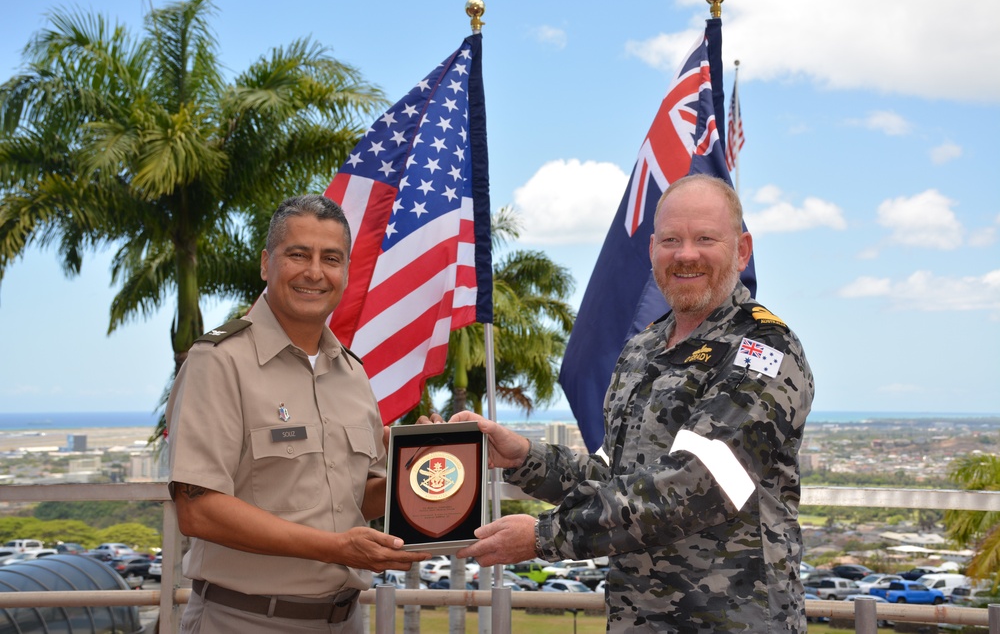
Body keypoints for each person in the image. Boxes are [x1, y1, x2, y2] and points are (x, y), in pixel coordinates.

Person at [452, 174, 814, 632]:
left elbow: (697, 486)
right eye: (670, 240)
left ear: (742, 250)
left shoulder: (763, 349)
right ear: (652, 252)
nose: (685, 254)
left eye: (705, 238)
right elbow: (616, 475)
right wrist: (524, 458)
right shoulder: (642, 349)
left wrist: (544, 536)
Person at [167, 194, 429, 633]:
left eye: (331, 258)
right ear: (267, 264)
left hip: (345, 620)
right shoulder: (219, 360)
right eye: (298, 254)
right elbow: (199, 511)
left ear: (345, 272)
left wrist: (421, 471)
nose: (314, 272)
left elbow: (356, 496)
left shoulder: (351, 372)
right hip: (244, 620)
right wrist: (335, 548)